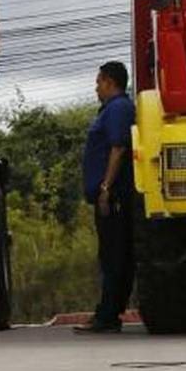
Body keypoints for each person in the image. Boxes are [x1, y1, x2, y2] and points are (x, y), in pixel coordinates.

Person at [74, 60, 136, 334]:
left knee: (114, 257)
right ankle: (109, 311)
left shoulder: (118, 108)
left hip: (114, 198)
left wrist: (106, 188)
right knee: (111, 255)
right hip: (109, 196)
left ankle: (108, 315)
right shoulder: (112, 109)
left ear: (110, 82)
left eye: (98, 81)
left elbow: (118, 148)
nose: (95, 87)